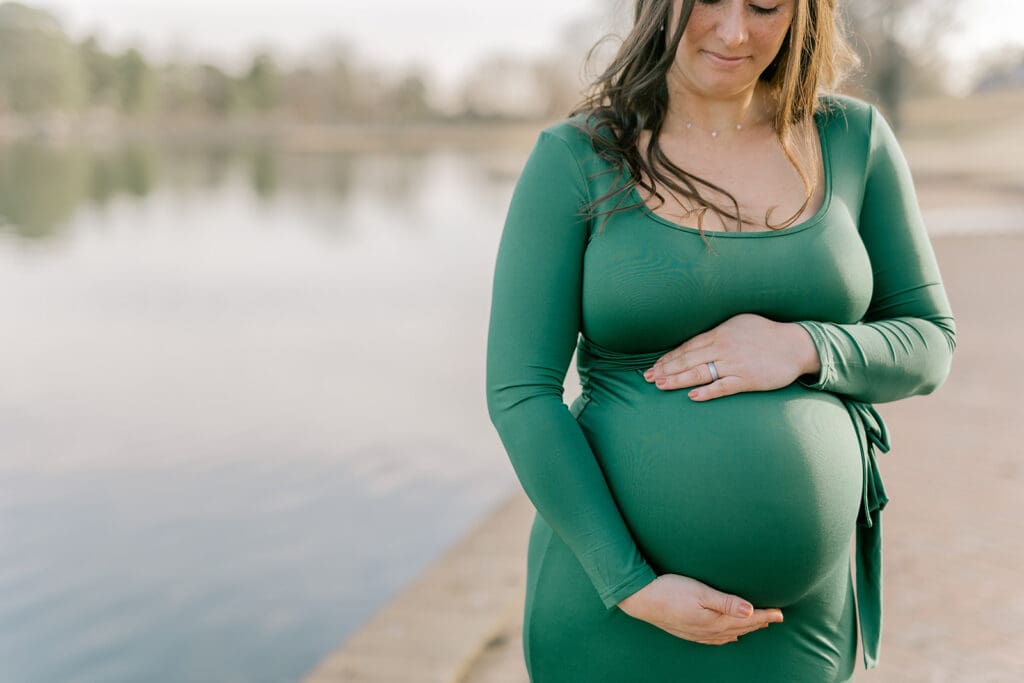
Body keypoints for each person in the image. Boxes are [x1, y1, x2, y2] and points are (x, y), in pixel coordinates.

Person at [485, 0, 957, 680]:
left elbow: (929, 343)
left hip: (793, 628)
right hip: (612, 615)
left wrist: (805, 346)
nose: (735, 32)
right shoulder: (579, 155)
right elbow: (521, 392)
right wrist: (633, 585)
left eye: (765, 6)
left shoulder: (854, 140)